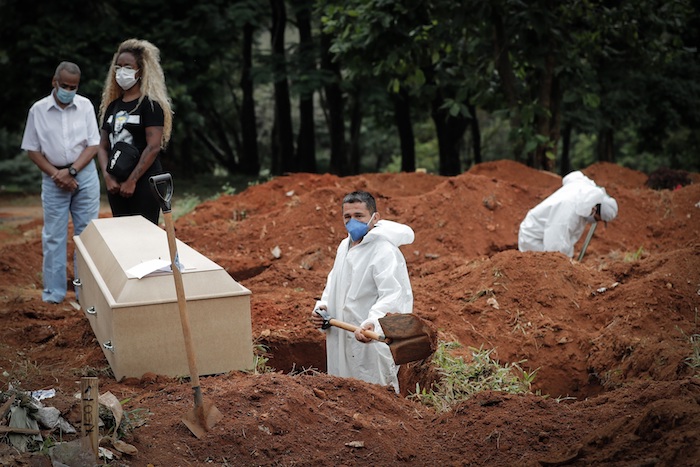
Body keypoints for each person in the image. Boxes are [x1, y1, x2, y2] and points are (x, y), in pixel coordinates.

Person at [310, 191, 414, 393]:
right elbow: (334, 283)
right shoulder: (344, 246)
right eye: (347, 217)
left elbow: (393, 295)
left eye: (359, 216)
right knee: (341, 394)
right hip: (340, 336)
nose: (352, 222)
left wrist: (372, 324)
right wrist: (322, 308)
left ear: (375, 218)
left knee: (374, 395)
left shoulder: (384, 250)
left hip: (369, 342)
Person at [21, 62, 101, 304]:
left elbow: (93, 144)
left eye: (73, 86)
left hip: (84, 176)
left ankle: (86, 296)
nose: (68, 90)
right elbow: (32, 150)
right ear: (54, 82)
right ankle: (53, 295)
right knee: (54, 237)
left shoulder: (85, 105)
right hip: (53, 177)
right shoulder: (38, 110)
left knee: (86, 236)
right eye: (64, 85)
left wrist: (72, 171)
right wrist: (58, 174)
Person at [97, 38, 173, 224]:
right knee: (123, 237)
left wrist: (132, 180)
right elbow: (102, 145)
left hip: (144, 183)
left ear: (140, 71)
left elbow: (153, 147)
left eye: (128, 67)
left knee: (145, 237)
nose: (122, 71)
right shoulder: (112, 106)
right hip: (116, 183)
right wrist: (108, 178)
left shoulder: (150, 106)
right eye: (118, 67)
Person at [518, 170, 618, 258]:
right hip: (534, 238)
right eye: (597, 218)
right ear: (595, 208)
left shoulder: (584, 193)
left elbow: (573, 177)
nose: (594, 221)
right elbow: (554, 246)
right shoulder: (568, 211)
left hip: (545, 234)